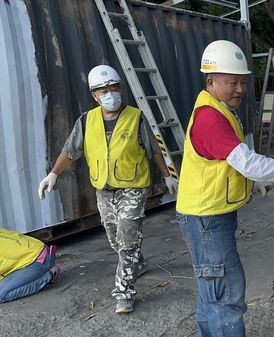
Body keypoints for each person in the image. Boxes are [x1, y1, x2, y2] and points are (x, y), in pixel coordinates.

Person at [176, 40, 274, 337]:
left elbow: (230, 164)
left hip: (205, 216)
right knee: (226, 297)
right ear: (211, 82)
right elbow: (249, 162)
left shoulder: (216, 108)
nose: (239, 89)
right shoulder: (211, 118)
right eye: (231, 82)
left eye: (242, 82)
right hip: (206, 221)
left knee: (211, 290)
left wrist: (254, 182)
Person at [37, 65, 178, 314]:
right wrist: (53, 174)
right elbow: (71, 151)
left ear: (120, 89)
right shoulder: (86, 121)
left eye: (113, 88)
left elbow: (153, 150)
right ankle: (137, 261)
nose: (110, 94)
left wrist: (167, 176)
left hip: (133, 188)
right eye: (104, 91)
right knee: (115, 238)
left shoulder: (136, 117)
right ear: (95, 95)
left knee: (126, 237)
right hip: (104, 189)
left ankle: (124, 292)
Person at [0, 228, 61, 303]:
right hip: (39, 250)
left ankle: (50, 275)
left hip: (38, 260)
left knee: (1, 295)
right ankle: (46, 266)